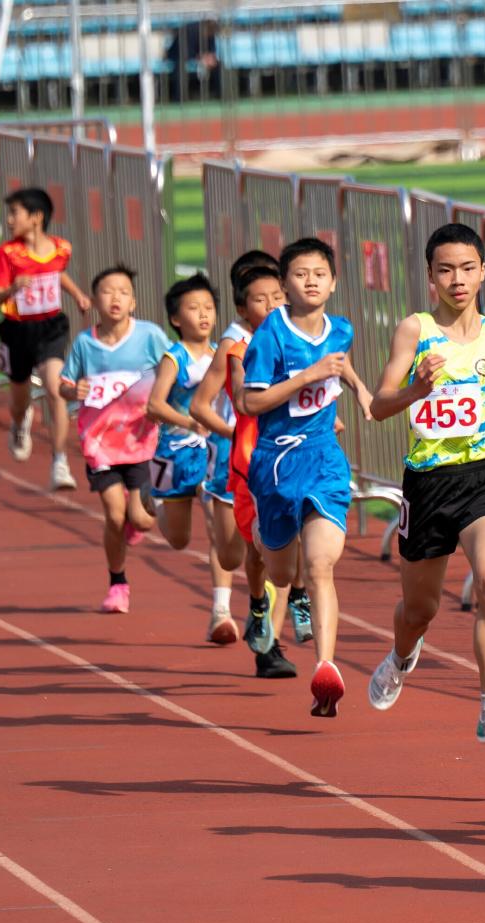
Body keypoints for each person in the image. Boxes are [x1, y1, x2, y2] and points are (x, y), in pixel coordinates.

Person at [365, 223, 485, 753]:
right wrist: (416, 388)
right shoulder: (414, 331)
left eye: (467, 268)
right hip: (427, 483)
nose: (457, 279)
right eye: (445, 270)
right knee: (419, 609)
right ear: (430, 276)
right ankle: (402, 655)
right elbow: (379, 404)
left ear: (483, 271)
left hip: (483, 475)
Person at [238, 238, 373, 712]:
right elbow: (249, 402)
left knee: (319, 565)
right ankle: (264, 541)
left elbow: (340, 362)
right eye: (300, 274)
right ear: (285, 283)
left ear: (333, 283)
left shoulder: (342, 329)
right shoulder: (270, 336)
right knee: (280, 570)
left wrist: (360, 391)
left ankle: (325, 668)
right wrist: (307, 376)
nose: (311, 281)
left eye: (320, 274)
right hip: (276, 463)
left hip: (323, 458)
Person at [190, 254, 301, 671]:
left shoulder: (299, 336)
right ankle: (245, 605)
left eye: (277, 295)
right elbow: (203, 405)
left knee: (281, 548)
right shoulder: (234, 345)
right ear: (242, 306)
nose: (271, 304)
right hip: (237, 464)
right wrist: (234, 434)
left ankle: (270, 647)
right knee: (236, 555)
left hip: (287, 459)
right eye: (260, 297)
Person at [58, 266, 171, 613]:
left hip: (142, 442)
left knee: (142, 519)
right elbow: (64, 385)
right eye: (108, 292)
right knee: (113, 515)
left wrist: (164, 402)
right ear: (94, 301)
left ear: (133, 302)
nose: (115, 298)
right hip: (100, 445)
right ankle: (117, 583)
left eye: (123, 292)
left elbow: (174, 368)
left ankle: (135, 523)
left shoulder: (149, 336)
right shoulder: (85, 343)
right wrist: (73, 389)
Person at [146, 273, 235, 643]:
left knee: (217, 525)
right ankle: (154, 499)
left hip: (212, 452)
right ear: (175, 318)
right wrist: (189, 421)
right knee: (179, 539)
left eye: (209, 308)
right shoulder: (174, 357)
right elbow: (154, 405)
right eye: (193, 308)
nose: (203, 315)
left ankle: (221, 611)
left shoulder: (223, 355)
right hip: (176, 452)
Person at [0, 187, 92, 490]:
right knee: (19, 398)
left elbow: (57, 273)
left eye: (14, 213)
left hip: (50, 328)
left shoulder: (61, 248)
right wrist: (12, 288)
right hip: (17, 331)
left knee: (56, 389)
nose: (9, 220)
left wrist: (78, 295)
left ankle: (60, 462)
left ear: (36, 217)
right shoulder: (6, 254)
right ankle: (20, 422)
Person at [165, 18, 221, 103]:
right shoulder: (189, 30)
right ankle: (179, 98)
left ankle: (220, 95)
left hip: (196, 56)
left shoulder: (211, 32)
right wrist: (201, 58)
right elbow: (184, 51)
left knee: (219, 64)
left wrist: (210, 57)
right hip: (177, 55)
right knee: (180, 66)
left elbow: (212, 50)